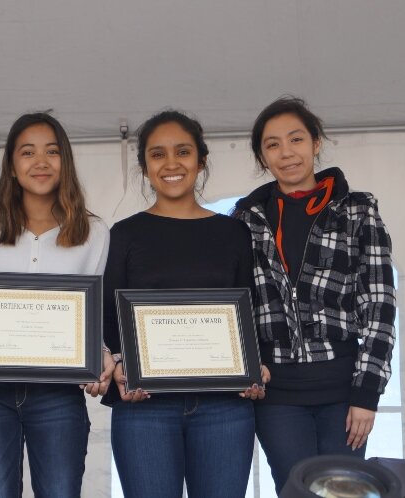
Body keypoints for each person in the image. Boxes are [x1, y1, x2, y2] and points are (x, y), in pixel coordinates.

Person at [231, 96, 396, 493]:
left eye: (296, 139)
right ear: (262, 157)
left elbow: (380, 305)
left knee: (343, 492)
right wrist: (249, 364)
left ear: (315, 142)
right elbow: (235, 304)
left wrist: (367, 393)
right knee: (296, 490)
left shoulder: (358, 211)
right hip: (277, 395)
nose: (286, 153)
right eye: (272, 145)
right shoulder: (244, 221)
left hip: (344, 390)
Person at [102, 110, 267, 498]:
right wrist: (123, 366)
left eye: (183, 152)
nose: (172, 164)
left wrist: (253, 365)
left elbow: (251, 311)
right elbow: (109, 319)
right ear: (145, 166)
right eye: (158, 155)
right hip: (145, 409)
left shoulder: (234, 233)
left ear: (202, 160)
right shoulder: (123, 235)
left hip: (225, 408)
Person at [0, 113, 112, 498]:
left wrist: (100, 356)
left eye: (52, 151)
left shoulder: (94, 232)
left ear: (65, 161)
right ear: (12, 165)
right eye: (28, 152)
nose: (41, 162)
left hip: (58, 394)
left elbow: (93, 312)